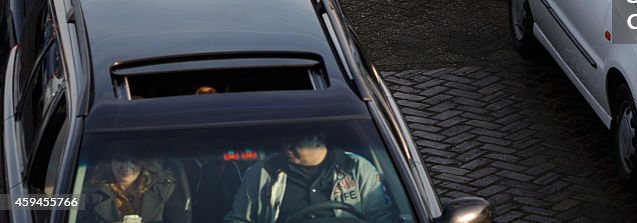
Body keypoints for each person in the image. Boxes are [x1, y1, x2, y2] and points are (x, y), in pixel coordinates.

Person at [224, 131, 398, 223]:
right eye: (284, 140)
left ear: (319, 137)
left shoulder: (358, 168)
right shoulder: (262, 173)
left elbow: (381, 216)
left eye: (296, 140)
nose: (287, 147)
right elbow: (239, 219)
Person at [79, 143, 187, 223]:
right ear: (109, 162)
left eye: (134, 160)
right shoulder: (82, 190)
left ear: (144, 164)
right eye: (121, 159)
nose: (126, 166)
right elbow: (62, 204)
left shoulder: (166, 188)